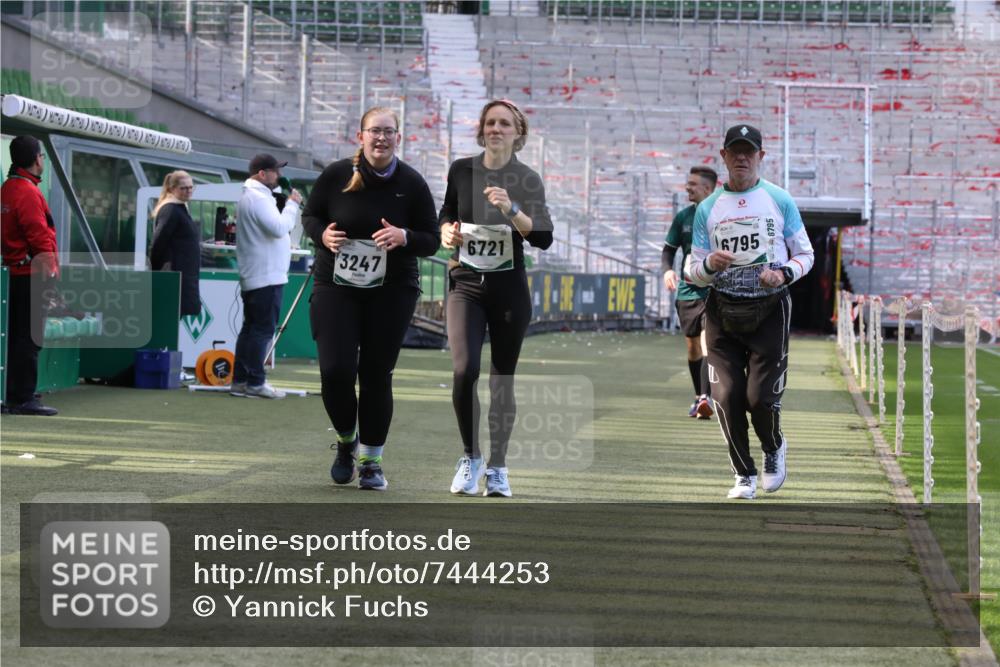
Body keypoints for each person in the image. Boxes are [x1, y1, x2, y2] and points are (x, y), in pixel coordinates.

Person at [302, 106, 439, 491]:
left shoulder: (412, 183)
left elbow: (431, 238)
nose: (381, 138)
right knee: (335, 371)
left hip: (391, 289)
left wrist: (405, 237)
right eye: (374, 131)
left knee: (376, 374)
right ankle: (347, 442)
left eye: (389, 132)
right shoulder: (336, 175)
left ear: (399, 137)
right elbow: (310, 215)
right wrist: (322, 236)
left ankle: (371, 462)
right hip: (336, 285)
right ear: (360, 136)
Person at [686, 125, 814, 500]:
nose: (742, 158)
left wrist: (783, 273)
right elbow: (692, 269)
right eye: (735, 151)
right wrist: (709, 264)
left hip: (769, 309)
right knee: (726, 397)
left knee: (759, 399)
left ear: (761, 156)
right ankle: (744, 474)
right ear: (723, 156)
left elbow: (805, 254)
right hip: (722, 311)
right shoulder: (707, 209)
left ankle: (773, 447)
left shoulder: (779, 198)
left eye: (749, 152)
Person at [440, 99, 553, 498]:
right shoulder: (461, 169)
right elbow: (446, 213)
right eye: (490, 122)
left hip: (508, 290)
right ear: (481, 129)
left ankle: (498, 468)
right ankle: (470, 457)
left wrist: (512, 208)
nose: (496, 128)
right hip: (466, 285)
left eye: (504, 123)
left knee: (501, 382)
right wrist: (446, 234)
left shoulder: (527, 178)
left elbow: (542, 237)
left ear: (517, 132)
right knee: (464, 370)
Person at [231, 154, 302, 399]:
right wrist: (292, 205)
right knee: (261, 331)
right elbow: (280, 228)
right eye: (275, 171)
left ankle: (241, 381)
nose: (278, 175)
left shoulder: (254, 197)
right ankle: (255, 382)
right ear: (262, 173)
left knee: (250, 329)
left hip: (258, 273)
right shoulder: (258, 198)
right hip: (266, 275)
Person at [1, 136, 59, 416]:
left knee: (15, 336)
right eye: (43, 156)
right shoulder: (28, 192)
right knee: (30, 337)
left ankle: (14, 393)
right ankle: (22, 397)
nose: (43, 160)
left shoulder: (9, 188)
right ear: (36, 159)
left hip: (14, 273)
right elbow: (39, 235)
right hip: (30, 274)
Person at [662, 166, 718, 420]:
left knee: (708, 344)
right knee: (693, 346)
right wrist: (667, 271)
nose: (688, 187)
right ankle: (699, 396)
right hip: (687, 291)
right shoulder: (683, 216)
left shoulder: (722, 215)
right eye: (688, 183)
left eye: (693, 184)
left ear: (708, 188)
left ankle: (706, 398)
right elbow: (668, 249)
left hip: (714, 291)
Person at [150, 171, 201, 317]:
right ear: (172, 189)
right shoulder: (171, 209)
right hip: (175, 275)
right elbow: (158, 242)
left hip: (183, 275)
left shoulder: (180, 208)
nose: (189, 191)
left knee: (176, 317)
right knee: (170, 318)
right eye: (184, 188)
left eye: (191, 187)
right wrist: (156, 271)